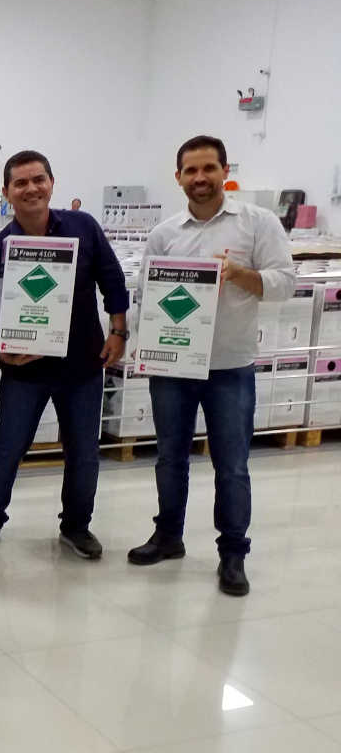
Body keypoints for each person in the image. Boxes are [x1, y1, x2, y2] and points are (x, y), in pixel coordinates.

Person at [127, 135, 295, 596]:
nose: (200, 179)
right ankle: (168, 535)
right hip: (173, 366)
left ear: (224, 171)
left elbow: (285, 282)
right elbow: (149, 296)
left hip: (229, 365)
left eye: (209, 169)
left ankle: (234, 552)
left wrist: (240, 274)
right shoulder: (166, 232)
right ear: (178, 176)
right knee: (169, 457)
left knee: (232, 465)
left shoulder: (257, 224)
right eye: (190, 171)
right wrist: (142, 349)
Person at [0, 150, 129, 558]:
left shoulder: (83, 228)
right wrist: (3, 348)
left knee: (83, 449)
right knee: (9, 445)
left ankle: (76, 527)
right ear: (6, 192)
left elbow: (112, 279)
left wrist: (118, 330)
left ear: (51, 183)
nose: (31, 188)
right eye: (20, 183)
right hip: (27, 370)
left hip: (82, 365)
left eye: (38, 179)